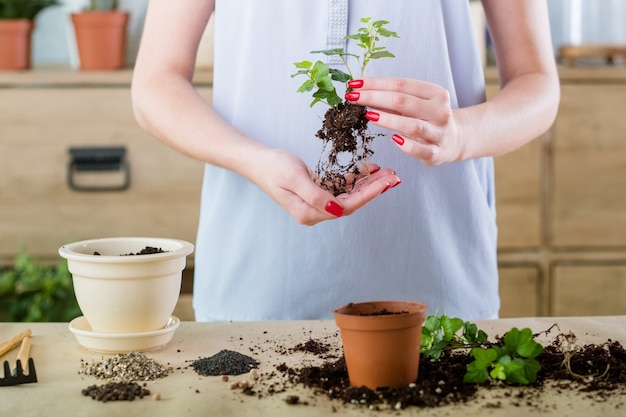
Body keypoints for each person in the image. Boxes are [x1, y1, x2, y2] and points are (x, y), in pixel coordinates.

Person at [131, 1, 559, 321]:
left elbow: (536, 83)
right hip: (259, 281)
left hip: (437, 279)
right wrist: (252, 159)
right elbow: (155, 82)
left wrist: (460, 134)